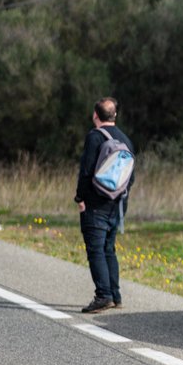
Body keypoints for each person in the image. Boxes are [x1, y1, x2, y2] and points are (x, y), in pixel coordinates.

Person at [74, 97, 135, 314]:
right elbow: (131, 177)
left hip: (96, 203)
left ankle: (103, 296)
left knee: (95, 250)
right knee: (109, 248)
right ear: (115, 115)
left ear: (95, 115)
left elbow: (86, 171)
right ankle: (115, 295)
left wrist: (80, 198)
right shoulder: (126, 139)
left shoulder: (94, 137)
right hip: (117, 204)